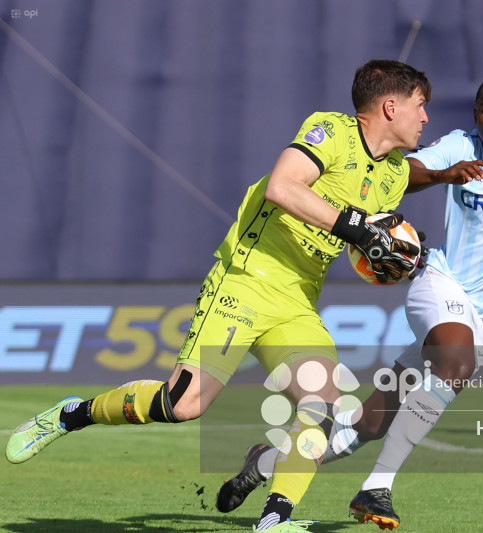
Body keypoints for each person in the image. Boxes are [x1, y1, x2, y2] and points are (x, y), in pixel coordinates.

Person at [5, 59, 432, 533]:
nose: (425, 117)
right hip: (243, 280)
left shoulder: (395, 174)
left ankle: (275, 518)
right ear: (390, 106)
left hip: (297, 300)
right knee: (182, 405)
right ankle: (72, 414)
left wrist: (393, 255)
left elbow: (363, 246)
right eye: (420, 105)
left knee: (325, 404)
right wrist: (360, 229)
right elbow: (282, 187)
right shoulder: (330, 131)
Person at [215, 74, 483, 529]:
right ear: (476, 114)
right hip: (443, 285)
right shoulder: (461, 145)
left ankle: (263, 463)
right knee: (456, 362)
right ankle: (377, 488)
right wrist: (445, 173)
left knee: (367, 426)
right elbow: (402, 173)